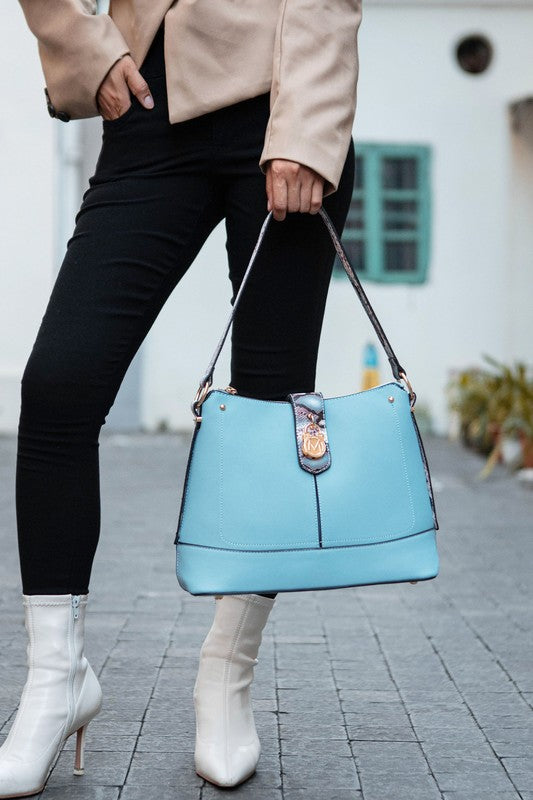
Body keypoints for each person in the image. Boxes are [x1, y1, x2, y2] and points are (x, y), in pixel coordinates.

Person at [0, 1, 362, 795]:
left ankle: (226, 676)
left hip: (278, 107)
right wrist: (84, 46)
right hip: (144, 106)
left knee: (267, 413)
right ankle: (57, 680)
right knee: (59, 386)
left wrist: (307, 128)